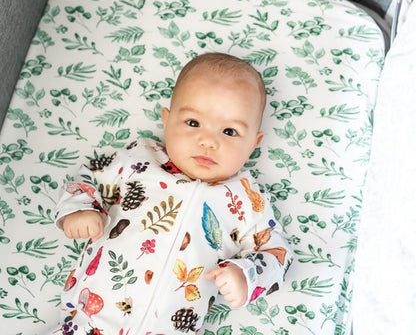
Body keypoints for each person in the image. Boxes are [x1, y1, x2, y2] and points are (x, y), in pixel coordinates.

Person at [49, 53, 293, 334]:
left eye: (229, 131)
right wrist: (80, 209)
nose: (208, 141)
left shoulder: (247, 198)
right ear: (167, 121)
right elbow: (90, 174)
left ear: (254, 143)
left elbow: (279, 254)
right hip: (87, 322)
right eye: (192, 123)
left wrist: (246, 275)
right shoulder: (140, 160)